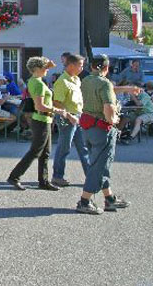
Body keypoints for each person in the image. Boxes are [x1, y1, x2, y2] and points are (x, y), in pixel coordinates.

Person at [76, 55, 139, 215]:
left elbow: (106, 90)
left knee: (98, 163)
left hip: (88, 127)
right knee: (99, 167)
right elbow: (109, 106)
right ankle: (84, 201)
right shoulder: (104, 83)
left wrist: (126, 88)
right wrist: (114, 120)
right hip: (102, 129)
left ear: (92, 67)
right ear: (106, 67)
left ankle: (109, 199)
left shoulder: (86, 80)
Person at [7, 57, 68, 191]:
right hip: (41, 120)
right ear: (37, 69)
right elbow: (40, 106)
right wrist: (58, 110)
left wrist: (46, 64)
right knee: (35, 151)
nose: (47, 69)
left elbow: (46, 67)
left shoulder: (34, 80)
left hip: (43, 120)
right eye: (45, 68)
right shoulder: (38, 84)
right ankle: (14, 177)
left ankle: (43, 181)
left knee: (45, 152)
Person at [51, 54, 90, 187]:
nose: (82, 68)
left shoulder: (76, 79)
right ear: (72, 66)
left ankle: (91, 176)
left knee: (83, 147)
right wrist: (69, 116)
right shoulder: (62, 82)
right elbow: (57, 103)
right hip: (67, 118)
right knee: (64, 148)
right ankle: (57, 176)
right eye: (80, 65)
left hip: (77, 116)